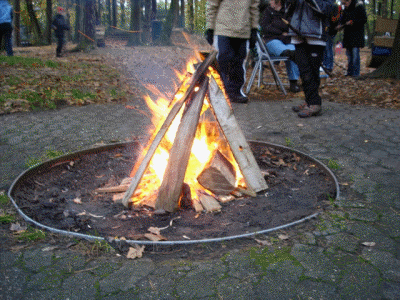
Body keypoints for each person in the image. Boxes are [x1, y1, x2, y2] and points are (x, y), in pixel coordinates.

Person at [205, 0, 260, 103]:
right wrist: (210, 28)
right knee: (224, 60)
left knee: (238, 62)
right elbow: (212, 5)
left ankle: (235, 92)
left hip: (243, 31)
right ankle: (221, 90)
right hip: (223, 30)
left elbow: (254, 8)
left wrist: (254, 29)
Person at [287, 0, 333, 118]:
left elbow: (326, 9)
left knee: (312, 71)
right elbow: (287, 10)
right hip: (297, 33)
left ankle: (314, 103)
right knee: (304, 71)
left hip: (316, 34)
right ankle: (310, 101)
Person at [259, 0, 300, 93]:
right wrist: (281, 32)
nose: (271, 2)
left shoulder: (287, 10)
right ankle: (286, 52)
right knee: (276, 45)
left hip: (286, 40)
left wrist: (275, 25)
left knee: (293, 51)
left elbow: (290, 26)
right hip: (272, 40)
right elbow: (265, 28)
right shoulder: (268, 11)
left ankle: (294, 82)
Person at [336, 0, 367, 77]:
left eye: (345, 3)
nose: (344, 5)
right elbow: (342, 21)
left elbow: (363, 19)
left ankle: (356, 73)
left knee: (355, 55)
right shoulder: (345, 10)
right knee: (349, 56)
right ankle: (350, 72)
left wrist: (352, 22)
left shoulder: (359, 7)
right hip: (348, 36)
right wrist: (340, 25)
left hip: (356, 36)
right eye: (343, 4)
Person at [322, 1, 342, 74]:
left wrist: (330, 25)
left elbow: (335, 19)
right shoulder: (332, 5)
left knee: (328, 48)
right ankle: (326, 65)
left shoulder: (334, 6)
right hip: (328, 29)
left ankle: (328, 66)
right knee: (326, 48)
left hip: (330, 30)